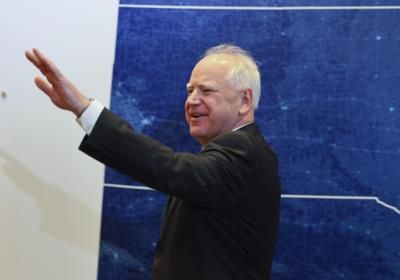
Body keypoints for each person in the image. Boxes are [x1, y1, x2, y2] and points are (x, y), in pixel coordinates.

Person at [26, 44, 281, 280]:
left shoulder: (244, 150)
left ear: (245, 101)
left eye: (207, 90)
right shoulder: (226, 157)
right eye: (190, 90)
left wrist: (84, 109)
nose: (192, 100)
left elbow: (171, 170)